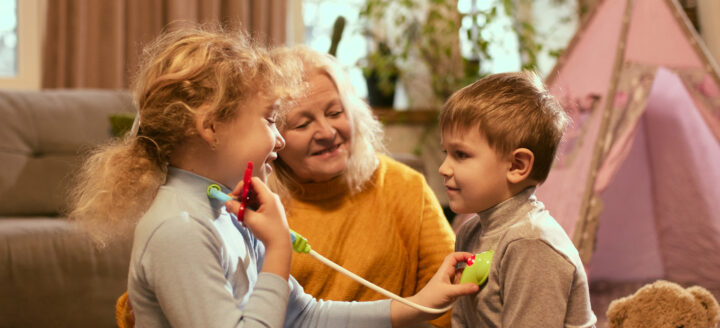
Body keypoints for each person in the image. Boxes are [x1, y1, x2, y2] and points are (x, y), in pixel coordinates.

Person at [69, 26, 478, 327]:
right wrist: (279, 250)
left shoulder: (223, 207)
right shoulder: (180, 228)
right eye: (270, 120)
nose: (279, 139)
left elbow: (304, 316)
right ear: (211, 128)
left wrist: (424, 302)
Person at [268, 46, 456, 327]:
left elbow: (450, 299)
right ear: (272, 136)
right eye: (303, 123)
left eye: (335, 113)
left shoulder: (405, 186)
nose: (328, 133)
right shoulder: (260, 206)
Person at [437, 71, 597, 327]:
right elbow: (463, 320)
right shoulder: (470, 233)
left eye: (461, 155)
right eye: (446, 153)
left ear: (517, 165)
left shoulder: (530, 244)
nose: (443, 168)